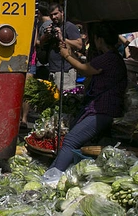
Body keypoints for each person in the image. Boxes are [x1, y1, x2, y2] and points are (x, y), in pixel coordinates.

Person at [48, 23, 128, 172]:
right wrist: (69, 52)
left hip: (103, 110)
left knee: (71, 141)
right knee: (73, 141)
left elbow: (84, 70)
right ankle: (54, 171)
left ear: (99, 39)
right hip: (102, 108)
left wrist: (66, 55)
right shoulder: (111, 57)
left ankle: (52, 175)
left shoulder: (109, 58)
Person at [38, 3, 82, 90]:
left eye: (55, 14)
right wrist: (46, 36)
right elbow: (40, 44)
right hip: (52, 70)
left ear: (62, 13)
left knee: (64, 98)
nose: (53, 17)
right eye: (51, 15)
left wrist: (62, 38)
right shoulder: (52, 27)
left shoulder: (69, 27)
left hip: (65, 71)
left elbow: (79, 45)